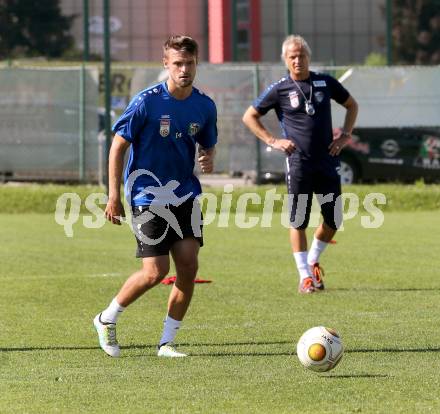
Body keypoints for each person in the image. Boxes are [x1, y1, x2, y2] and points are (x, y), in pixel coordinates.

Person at [94, 35, 217, 357]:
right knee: (155, 271)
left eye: (189, 63)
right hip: (147, 196)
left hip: (185, 195)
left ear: (196, 63)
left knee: (188, 266)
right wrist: (113, 196)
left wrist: (208, 156)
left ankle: (166, 342)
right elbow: (117, 146)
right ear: (166, 64)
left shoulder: (204, 105)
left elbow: (207, 142)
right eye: (177, 63)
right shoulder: (146, 102)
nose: (184, 69)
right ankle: (107, 318)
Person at [242, 35, 358, 294]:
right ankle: (305, 276)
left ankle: (313, 259)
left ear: (308, 57)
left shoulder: (325, 82)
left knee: (334, 218)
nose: (297, 60)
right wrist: (273, 140)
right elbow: (249, 116)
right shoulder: (280, 88)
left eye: (301, 55)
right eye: (292, 56)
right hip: (298, 163)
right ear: (286, 60)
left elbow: (351, 105)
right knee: (298, 221)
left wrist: (345, 136)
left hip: (327, 160)